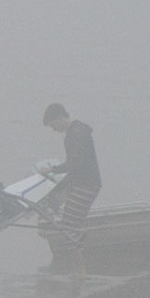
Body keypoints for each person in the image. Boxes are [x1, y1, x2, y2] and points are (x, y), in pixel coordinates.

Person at [42, 102, 101, 272]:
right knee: (72, 226)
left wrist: (53, 170)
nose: (54, 129)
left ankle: (79, 271)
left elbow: (75, 164)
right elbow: (76, 164)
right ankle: (79, 269)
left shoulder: (75, 134)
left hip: (86, 184)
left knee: (68, 227)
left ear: (60, 117)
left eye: (53, 125)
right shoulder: (78, 131)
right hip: (85, 183)